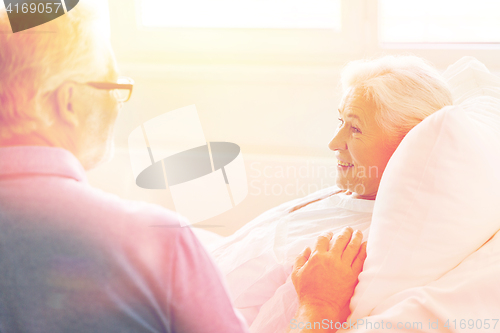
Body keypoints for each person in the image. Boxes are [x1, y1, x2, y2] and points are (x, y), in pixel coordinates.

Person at [0, 3, 248, 333]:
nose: (118, 105)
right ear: (68, 102)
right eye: (112, 86)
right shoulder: (160, 241)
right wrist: (316, 308)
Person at [209, 55, 453, 332]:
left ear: (409, 145)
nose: (334, 143)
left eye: (356, 128)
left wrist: (320, 304)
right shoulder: (353, 190)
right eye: (341, 122)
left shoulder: (359, 246)